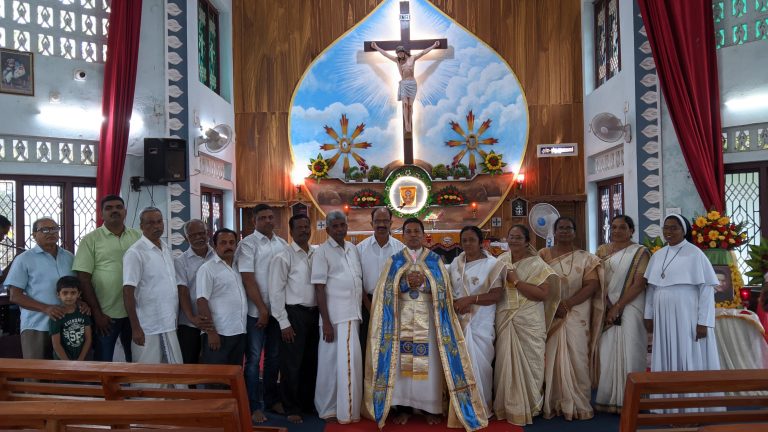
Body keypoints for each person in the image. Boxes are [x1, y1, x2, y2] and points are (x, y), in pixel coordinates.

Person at [364, 217, 487, 431]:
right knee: (402, 365)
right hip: (401, 321)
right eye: (409, 231)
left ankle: (430, 408)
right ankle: (404, 408)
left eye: (416, 231)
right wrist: (402, 284)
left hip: (428, 322)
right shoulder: (394, 261)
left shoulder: (434, 260)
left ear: (423, 235)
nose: (413, 235)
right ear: (403, 235)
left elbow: (445, 291)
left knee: (428, 365)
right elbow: (382, 292)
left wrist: (426, 284)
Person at [644, 214, 720, 409]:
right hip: (663, 314)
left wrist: (704, 322)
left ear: (684, 230)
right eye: (666, 227)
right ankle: (667, 404)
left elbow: (706, 290)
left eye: (674, 228)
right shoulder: (658, 254)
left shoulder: (695, 254)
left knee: (688, 353)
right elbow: (652, 289)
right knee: (666, 353)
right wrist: (648, 314)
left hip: (687, 312)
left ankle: (691, 405)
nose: (668, 232)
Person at [494, 224, 560, 426]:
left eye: (518, 237)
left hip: (529, 319)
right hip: (505, 317)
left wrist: (516, 281)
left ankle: (531, 405)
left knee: (531, 362)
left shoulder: (537, 264)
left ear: (526, 241)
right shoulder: (500, 261)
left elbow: (542, 294)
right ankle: (507, 405)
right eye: (510, 237)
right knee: (505, 360)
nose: (513, 241)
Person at [539, 216, 603, 420]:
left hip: (576, 313)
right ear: (554, 233)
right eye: (561, 228)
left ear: (575, 232)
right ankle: (554, 403)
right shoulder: (542, 255)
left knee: (578, 357)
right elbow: (535, 280)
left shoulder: (587, 258)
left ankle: (579, 404)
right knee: (551, 359)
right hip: (550, 312)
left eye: (569, 228)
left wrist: (568, 303)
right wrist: (553, 305)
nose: (565, 231)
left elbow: (592, 285)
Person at [235, 203, 288, 423]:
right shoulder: (247, 244)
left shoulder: (282, 243)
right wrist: (263, 309)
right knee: (254, 359)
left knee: (274, 358)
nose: (268, 221)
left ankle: (271, 399)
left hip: (277, 311)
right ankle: (253, 405)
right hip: (256, 312)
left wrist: (278, 310)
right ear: (254, 221)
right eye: (263, 217)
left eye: (270, 217)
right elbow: (248, 279)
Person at [73, 195, 141, 362]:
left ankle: (135, 389)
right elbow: (83, 278)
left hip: (136, 311)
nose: (115, 210)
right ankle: (103, 389)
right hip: (106, 314)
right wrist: (97, 313)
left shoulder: (139, 237)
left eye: (118, 207)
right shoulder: (90, 240)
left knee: (137, 358)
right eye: (109, 208)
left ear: (125, 211)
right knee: (103, 361)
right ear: (101, 214)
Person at [311, 211, 363, 424]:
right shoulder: (322, 252)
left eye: (343, 225)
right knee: (335, 363)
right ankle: (341, 410)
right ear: (328, 229)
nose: (341, 229)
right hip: (336, 317)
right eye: (336, 226)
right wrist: (326, 322)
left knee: (338, 363)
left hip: (352, 314)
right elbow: (319, 288)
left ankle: (333, 407)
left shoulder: (352, 249)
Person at [595, 215, 650, 413]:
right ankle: (608, 398)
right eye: (614, 227)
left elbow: (639, 283)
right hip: (606, 306)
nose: (617, 231)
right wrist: (607, 305)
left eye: (622, 227)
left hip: (631, 306)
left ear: (631, 230)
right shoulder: (602, 251)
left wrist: (618, 306)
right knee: (608, 351)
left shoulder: (640, 252)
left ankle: (632, 399)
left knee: (631, 348)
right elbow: (597, 280)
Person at [448, 225, 505, 418]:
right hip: (458, 321)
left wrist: (470, 300)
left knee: (480, 365)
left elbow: (497, 295)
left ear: (481, 242)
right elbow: (448, 290)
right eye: (464, 240)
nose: (468, 244)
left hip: (480, 322)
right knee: (459, 364)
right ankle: (461, 408)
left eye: (472, 240)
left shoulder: (492, 264)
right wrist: (456, 303)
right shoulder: (456, 262)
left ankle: (480, 407)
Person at [269, 214, 319, 424]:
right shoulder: (283, 256)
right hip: (293, 314)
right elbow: (275, 292)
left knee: (311, 361)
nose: (304, 231)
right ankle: (291, 407)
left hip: (314, 314)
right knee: (291, 363)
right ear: (291, 231)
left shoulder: (317, 253)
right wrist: (283, 322)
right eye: (299, 227)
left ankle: (308, 403)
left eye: (307, 227)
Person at [6, 218, 75, 359]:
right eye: (44, 230)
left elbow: (76, 288)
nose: (50, 233)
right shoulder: (24, 259)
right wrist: (46, 308)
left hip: (67, 324)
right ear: (34, 235)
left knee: (65, 373)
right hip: (36, 326)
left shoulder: (69, 257)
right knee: (36, 374)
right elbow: (15, 295)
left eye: (54, 229)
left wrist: (81, 303)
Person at [123, 207, 182, 364]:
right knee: (148, 377)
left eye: (159, 222)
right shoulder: (135, 253)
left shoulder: (166, 249)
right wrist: (135, 327)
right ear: (141, 226)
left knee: (172, 374)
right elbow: (128, 292)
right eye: (150, 223)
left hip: (168, 321)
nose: (156, 226)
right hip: (147, 325)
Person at [196, 228, 248, 367]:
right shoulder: (207, 269)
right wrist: (211, 333)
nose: (228, 246)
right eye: (223, 243)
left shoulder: (238, 267)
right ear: (214, 245)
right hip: (219, 333)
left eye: (232, 242)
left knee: (234, 376)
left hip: (239, 331)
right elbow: (201, 301)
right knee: (216, 379)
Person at [356, 207, 404, 352]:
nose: (381, 225)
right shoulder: (360, 249)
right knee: (367, 344)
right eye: (377, 221)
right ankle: (367, 375)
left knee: (391, 345)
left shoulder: (400, 249)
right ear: (371, 224)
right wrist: (367, 304)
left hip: (393, 303)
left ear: (391, 223)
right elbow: (358, 279)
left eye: (385, 221)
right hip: (366, 304)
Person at [370, 40, 440, 134]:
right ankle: (407, 124)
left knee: (410, 106)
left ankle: (409, 122)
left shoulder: (412, 58)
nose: (399, 55)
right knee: (405, 105)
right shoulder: (397, 61)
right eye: (398, 54)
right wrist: (376, 47)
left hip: (412, 84)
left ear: (403, 52)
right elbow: (386, 54)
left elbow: (423, 52)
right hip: (404, 84)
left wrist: (434, 45)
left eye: (400, 53)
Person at [174, 219, 215, 364]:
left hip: (215, 319)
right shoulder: (181, 261)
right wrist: (192, 317)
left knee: (213, 361)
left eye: (201, 233)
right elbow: (182, 291)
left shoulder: (217, 256)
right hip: (190, 322)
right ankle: (189, 388)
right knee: (189, 361)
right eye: (193, 235)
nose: (198, 238)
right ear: (186, 238)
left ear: (208, 233)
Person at [50, 276, 92, 361]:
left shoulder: (83, 312)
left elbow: (88, 339)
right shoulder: (57, 315)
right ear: (58, 294)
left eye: (73, 293)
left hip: (82, 360)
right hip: (62, 363)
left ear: (79, 294)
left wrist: (80, 360)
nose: (69, 296)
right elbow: (56, 345)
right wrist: (68, 364)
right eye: (65, 293)